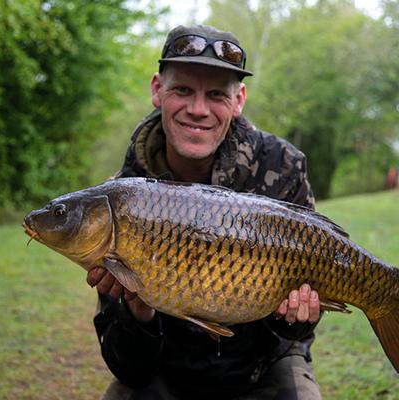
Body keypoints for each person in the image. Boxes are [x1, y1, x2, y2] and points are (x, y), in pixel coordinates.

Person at [86, 25, 323, 400]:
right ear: (157, 90)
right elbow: (128, 366)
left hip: (261, 368)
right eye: (183, 90)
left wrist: (296, 315)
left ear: (239, 99)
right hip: (165, 367)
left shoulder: (281, 166)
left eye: (215, 94)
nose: (198, 110)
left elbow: (296, 335)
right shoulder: (118, 200)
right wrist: (138, 314)